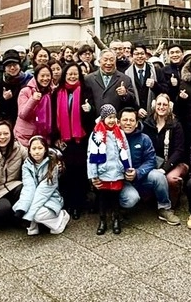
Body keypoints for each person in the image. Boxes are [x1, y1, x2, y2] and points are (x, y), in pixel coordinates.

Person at [118, 107, 181, 225]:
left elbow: (151, 161)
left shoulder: (144, 139)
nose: (128, 123)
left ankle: (164, 208)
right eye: (125, 120)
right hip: (121, 180)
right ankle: (118, 208)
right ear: (119, 122)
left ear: (137, 123)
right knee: (131, 199)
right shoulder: (113, 139)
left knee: (158, 176)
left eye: (131, 120)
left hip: (140, 177)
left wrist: (138, 172)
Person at [52, 63, 95, 219]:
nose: (72, 76)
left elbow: (92, 113)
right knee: (66, 172)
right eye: (69, 73)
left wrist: (89, 110)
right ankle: (68, 202)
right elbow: (53, 116)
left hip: (80, 139)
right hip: (64, 139)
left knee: (80, 171)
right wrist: (56, 137)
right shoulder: (57, 92)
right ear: (65, 74)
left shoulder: (85, 90)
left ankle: (78, 204)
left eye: (75, 74)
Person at [88, 104, 131, 235]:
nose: (112, 120)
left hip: (116, 171)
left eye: (113, 117)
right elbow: (91, 155)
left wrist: (127, 168)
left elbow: (126, 150)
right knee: (102, 197)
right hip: (103, 171)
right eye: (108, 118)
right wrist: (93, 174)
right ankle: (102, 220)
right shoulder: (96, 134)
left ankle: (116, 219)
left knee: (115, 197)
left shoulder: (120, 133)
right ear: (103, 119)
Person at [14, 136, 70, 235]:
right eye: (34, 149)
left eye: (40, 148)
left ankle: (61, 218)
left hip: (51, 196)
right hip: (34, 196)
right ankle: (33, 225)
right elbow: (29, 187)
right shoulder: (26, 165)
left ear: (45, 149)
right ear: (29, 151)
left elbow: (43, 191)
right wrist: (22, 209)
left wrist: (28, 216)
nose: (37, 151)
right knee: (21, 207)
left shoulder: (53, 164)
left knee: (38, 215)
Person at [143, 94, 188, 208]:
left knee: (170, 179)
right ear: (154, 105)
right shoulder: (148, 124)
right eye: (159, 104)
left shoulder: (176, 125)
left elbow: (179, 151)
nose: (161, 107)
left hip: (175, 162)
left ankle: (171, 204)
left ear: (169, 107)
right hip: (155, 161)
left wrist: (164, 169)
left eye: (165, 105)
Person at [85, 49, 136, 113]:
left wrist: (125, 94)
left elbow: (133, 101)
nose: (108, 63)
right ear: (99, 61)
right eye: (105, 60)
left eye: (111, 60)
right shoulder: (89, 79)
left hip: (116, 120)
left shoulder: (125, 79)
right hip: (95, 119)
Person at [14, 64, 54, 146]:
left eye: (48, 76)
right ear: (36, 77)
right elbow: (22, 114)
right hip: (25, 137)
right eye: (42, 76)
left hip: (43, 137)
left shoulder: (52, 92)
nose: (45, 78)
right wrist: (33, 100)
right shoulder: (25, 91)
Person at [0, 50, 32, 125]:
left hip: (23, 124)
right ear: (4, 68)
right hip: (4, 125)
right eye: (9, 66)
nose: (12, 68)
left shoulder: (27, 82)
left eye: (15, 64)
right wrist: (4, 99)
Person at [124, 43, 159, 118]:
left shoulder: (155, 70)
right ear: (132, 56)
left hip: (154, 113)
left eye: (142, 53)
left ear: (146, 55)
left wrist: (155, 85)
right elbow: (128, 96)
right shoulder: (127, 73)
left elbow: (164, 90)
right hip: (135, 114)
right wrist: (137, 109)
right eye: (136, 54)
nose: (139, 56)